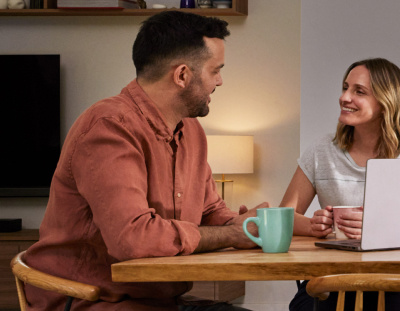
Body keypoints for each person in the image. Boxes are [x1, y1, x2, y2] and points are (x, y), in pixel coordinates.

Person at [23, 11, 264, 311]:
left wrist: (245, 224)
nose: (220, 81)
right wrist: (229, 234)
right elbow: (133, 239)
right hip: (90, 301)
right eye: (215, 70)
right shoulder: (109, 128)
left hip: (159, 300)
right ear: (182, 76)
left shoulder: (191, 131)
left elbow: (210, 210)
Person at [281, 58, 400, 311]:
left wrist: (377, 228)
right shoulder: (322, 150)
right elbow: (283, 216)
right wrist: (313, 225)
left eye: (359, 91)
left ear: (386, 102)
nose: (344, 97)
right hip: (332, 277)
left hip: (399, 278)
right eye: (345, 87)